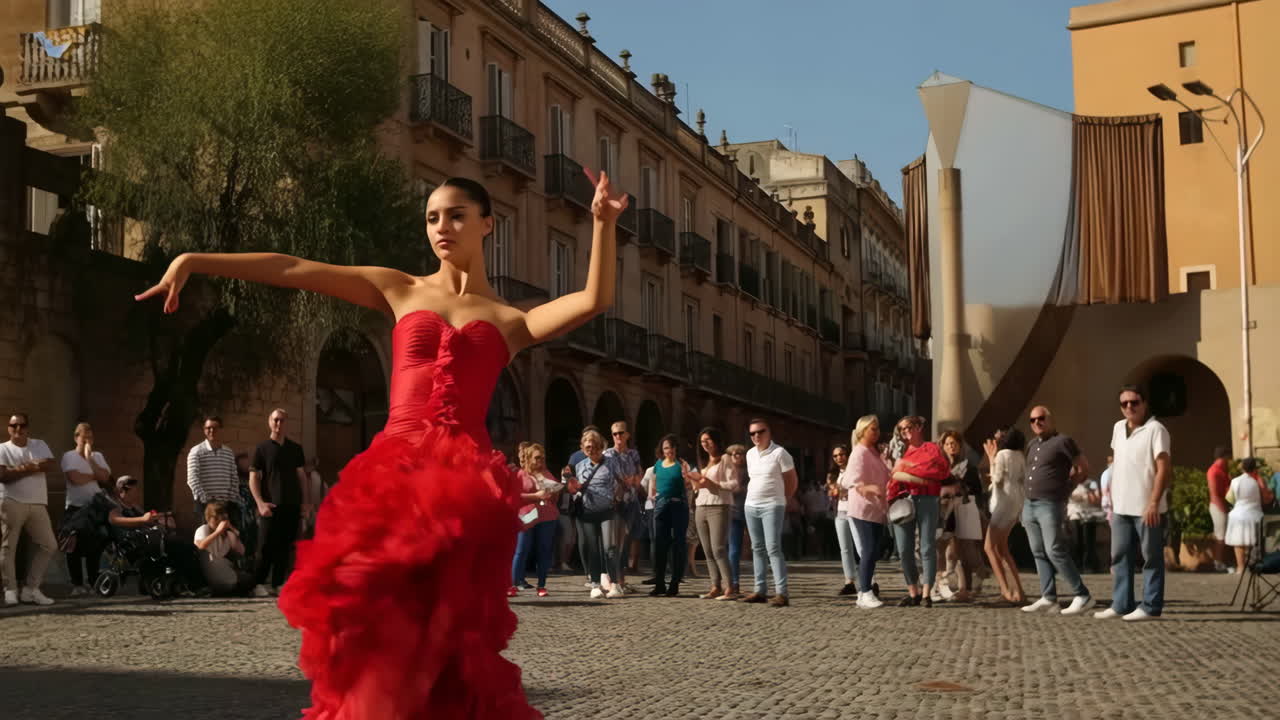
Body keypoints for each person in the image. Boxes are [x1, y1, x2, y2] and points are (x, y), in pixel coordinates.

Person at [135, 171, 626, 718]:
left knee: (445, 639)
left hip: (463, 492)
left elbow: (593, 298)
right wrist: (196, 260)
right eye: (433, 217)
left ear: (488, 224)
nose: (442, 227)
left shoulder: (511, 320)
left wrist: (602, 223)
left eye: (457, 215)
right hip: (393, 480)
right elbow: (294, 269)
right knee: (374, 623)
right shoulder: (400, 287)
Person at [1095, 385, 1171, 622]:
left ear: (1144, 403)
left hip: (1147, 507)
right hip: (1121, 506)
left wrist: (1153, 502)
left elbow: (1164, 469)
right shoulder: (1118, 428)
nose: (1129, 407)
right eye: (1124, 403)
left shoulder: (1156, 430)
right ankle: (1121, 604)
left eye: (1134, 402)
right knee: (1119, 557)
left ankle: (1150, 606)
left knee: (1151, 557)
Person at [1018, 407, 1094, 616]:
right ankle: (1049, 598)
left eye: (1041, 418)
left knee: (1054, 549)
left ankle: (1082, 595)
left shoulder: (1063, 441)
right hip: (1030, 504)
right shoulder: (1032, 444)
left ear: (1050, 419)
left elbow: (1083, 468)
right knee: (1038, 551)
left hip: (1050, 503)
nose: (1036, 423)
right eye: (1032, 420)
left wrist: (1067, 488)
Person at [889, 415, 950, 608]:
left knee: (926, 547)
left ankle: (926, 594)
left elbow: (941, 472)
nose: (905, 431)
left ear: (918, 427)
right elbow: (893, 477)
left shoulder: (932, 448)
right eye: (901, 429)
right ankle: (912, 592)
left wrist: (907, 470)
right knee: (904, 550)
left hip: (927, 499)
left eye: (908, 427)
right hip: (903, 500)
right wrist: (913, 473)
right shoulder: (900, 451)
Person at [248, 408, 309, 598]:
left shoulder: (295, 449)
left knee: (285, 546)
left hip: (291, 505)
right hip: (270, 506)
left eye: (282, 420)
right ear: (269, 421)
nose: (278, 424)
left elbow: (302, 478)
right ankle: (258, 583)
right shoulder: (262, 449)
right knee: (265, 546)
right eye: (275, 420)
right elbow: (253, 478)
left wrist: (305, 503)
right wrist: (260, 503)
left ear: (286, 423)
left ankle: (278, 583)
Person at [1, 413, 58, 607]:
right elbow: (3, 476)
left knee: (49, 544)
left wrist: (16, 469)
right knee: (9, 547)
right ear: (9, 428)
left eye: (22, 425)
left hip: (38, 502)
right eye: (13, 425)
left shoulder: (38, 444)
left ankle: (31, 589)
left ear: (27, 427)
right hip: (11, 501)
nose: (18, 429)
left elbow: (50, 464)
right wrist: (31, 466)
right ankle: (10, 589)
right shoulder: (2, 449)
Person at [742, 418, 797, 608]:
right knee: (756, 548)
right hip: (751, 505)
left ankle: (782, 593)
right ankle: (760, 590)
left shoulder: (780, 453)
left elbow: (792, 480)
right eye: (752, 433)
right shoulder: (749, 454)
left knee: (773, 547)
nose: (757, 436)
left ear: (769, 432)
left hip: (772, 505)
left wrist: (785, 499)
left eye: (760, 431)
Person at [573, 428, 626, 599]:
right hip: (588, 512)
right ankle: (595, 584)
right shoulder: (580, 466)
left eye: (594, 447)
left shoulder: (611, 463)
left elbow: (622, 482)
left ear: (600, 447)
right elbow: (575, 488)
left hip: (607, 511)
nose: (591, 450)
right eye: (587, 447)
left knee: (609, 548)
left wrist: (617, 497)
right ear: (583, 448)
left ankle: (615, 585)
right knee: (593, 549)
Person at [60, 422, 111, 596]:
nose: (88, 440)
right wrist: (94, 475)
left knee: (94, 547)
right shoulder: (69, 456)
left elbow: (105, 478)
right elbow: (75, 478)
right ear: (76, 437)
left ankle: (92, 582)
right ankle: (77, 584)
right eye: (84, 437)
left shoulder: (97, 456)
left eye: (90, 437)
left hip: (94, 509)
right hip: (76, 507)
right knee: (73, 546)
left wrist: (90, 460)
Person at [687, 427, 738, 599]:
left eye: (708, 440)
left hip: (719, 506)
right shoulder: (704, 463)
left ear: (716, 440)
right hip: (701, 506)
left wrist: (712, 484)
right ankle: (715, 586)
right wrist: (695, 484)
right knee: (707, 550)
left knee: (718, 548)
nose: (705, 444)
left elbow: (733, 484)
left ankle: (729, 587)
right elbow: (701, 486)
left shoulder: (725, 459)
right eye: (702, 441)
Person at [845, 415, 888, 609]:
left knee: (873, 551)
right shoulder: (859, 453)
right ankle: (865, 592)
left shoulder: (874, 452)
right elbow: (852, 481)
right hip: (862, 508)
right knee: (868, 550)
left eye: (878, 428)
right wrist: (871, 488)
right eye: (873, 429)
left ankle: (864, 592)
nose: (877, 432)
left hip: (877, 508)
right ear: (862, 431)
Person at [509, 443, 560, 597]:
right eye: (537, 458)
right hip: (526, 516)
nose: (540, 461)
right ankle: (513, 584)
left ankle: (541, 585)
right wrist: (535, 496)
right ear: (529, 458)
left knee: (544, 550)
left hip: (547, 516)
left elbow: (556, 497)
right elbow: (514, 496)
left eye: (542, 458)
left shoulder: (547, 474)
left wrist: (553, 492)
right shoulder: (520, 474)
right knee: (521, 549)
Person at [938, 430, 983, 603]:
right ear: (943, 446)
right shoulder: (941, 466)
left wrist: (962, 487)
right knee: (950, 551)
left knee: (967, 549)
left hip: (965, 509)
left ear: (959, 445)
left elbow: (977, 490)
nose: (951, 446)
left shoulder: (968, 466)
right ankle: (961, 587)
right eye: (948, 443)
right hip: (947, 511)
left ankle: (975, 578)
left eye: (954, 443)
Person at [984, 428, 1027, 605]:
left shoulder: (1002, 455)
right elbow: (1023, 478)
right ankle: (1019, 591)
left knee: (989, 547)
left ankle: (1006, 591)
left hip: (1003, 502)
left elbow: (998, 478)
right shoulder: (1020, 455)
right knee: (1002, 549)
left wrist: (991, 460)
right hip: (1017, 501)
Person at [648, 434, 692, 597]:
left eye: (672, 447)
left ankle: (674, 582)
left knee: (677, 544)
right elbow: (653, 482)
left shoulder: (682, 464)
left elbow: (689, 484)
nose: (669, 451)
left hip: (678, 506)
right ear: (662, 449)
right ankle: (659, 583)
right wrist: (653, 495)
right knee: (660, 544)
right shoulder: (658, 464)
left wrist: (686, 477)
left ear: (676, 449)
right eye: (666, 447)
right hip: (661, 506)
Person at [603, 421, 642, 593]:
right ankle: (614, 580)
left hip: (631, 501)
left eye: (621, 433)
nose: (618, 436)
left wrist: (634, 479)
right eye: (614, 434)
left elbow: (639, 474)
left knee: (625, 542)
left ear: (627, 435)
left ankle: (621, 579)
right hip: (615, 502)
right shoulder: (607, 454)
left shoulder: (633, 454)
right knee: (615, 542)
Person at [187, 415, 241, 530]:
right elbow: (192, 479)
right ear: (204, 430)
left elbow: (234, 478)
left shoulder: (228, 452)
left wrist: (230, 500)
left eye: (215, 428)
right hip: (205, 506)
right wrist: (207, 501)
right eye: (208, 428)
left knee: (226, 541)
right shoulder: (196, 451)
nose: (211, 431)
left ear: (221, 430)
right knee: (205, 540)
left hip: (225, 506)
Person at [194, 501, 253, 595]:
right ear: (209, 518)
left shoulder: (228, 535)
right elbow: (201, 546)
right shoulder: (203, 529)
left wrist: (233, 530)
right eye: (216, 519)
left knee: (248, 579)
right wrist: (217, 532)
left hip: (223, 568)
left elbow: (241, 551)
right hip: (208, 568)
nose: (218, 522)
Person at [1225, 458, 1269, 575]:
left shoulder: (1235, 481)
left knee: (1238, 543)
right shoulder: (1258, 481)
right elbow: (1266, 499)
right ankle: (1253, 567)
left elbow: (1229, 498)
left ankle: (1240, 568)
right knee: (1253, 543)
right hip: (1254, 514)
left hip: (1238, 514)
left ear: (1243, 468)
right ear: (1255, 468)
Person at [718, 443, 750, 600]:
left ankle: (760, 584)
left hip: (751, 511)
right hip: (733, 513)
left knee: (757, 547)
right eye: (734, 454)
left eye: (740, 453)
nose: (737, 456)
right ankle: (734, 582)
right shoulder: (726, 472)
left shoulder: (750, 471)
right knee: (734, 549)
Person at [829, 444, 858, 595]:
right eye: (835, 456)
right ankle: (849, 581)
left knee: (861, 548)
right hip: (840, 512)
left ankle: (871, 581)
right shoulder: (833, 474)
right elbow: (832, 492)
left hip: (855, 511)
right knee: (845, 549)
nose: (839, 458)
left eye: (842, 454)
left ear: (848, 455)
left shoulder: (854, 470)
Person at [1206, 446, 1232, 571]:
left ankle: (1221, 562)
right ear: (1225, 456)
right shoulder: (1214, 471)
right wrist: (1224, 510)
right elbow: (1214, 494)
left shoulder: (1222, 470)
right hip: (1218, 506)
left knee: (1223, 536)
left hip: (1222, 505)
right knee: (1220, 536)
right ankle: (1218, 563)